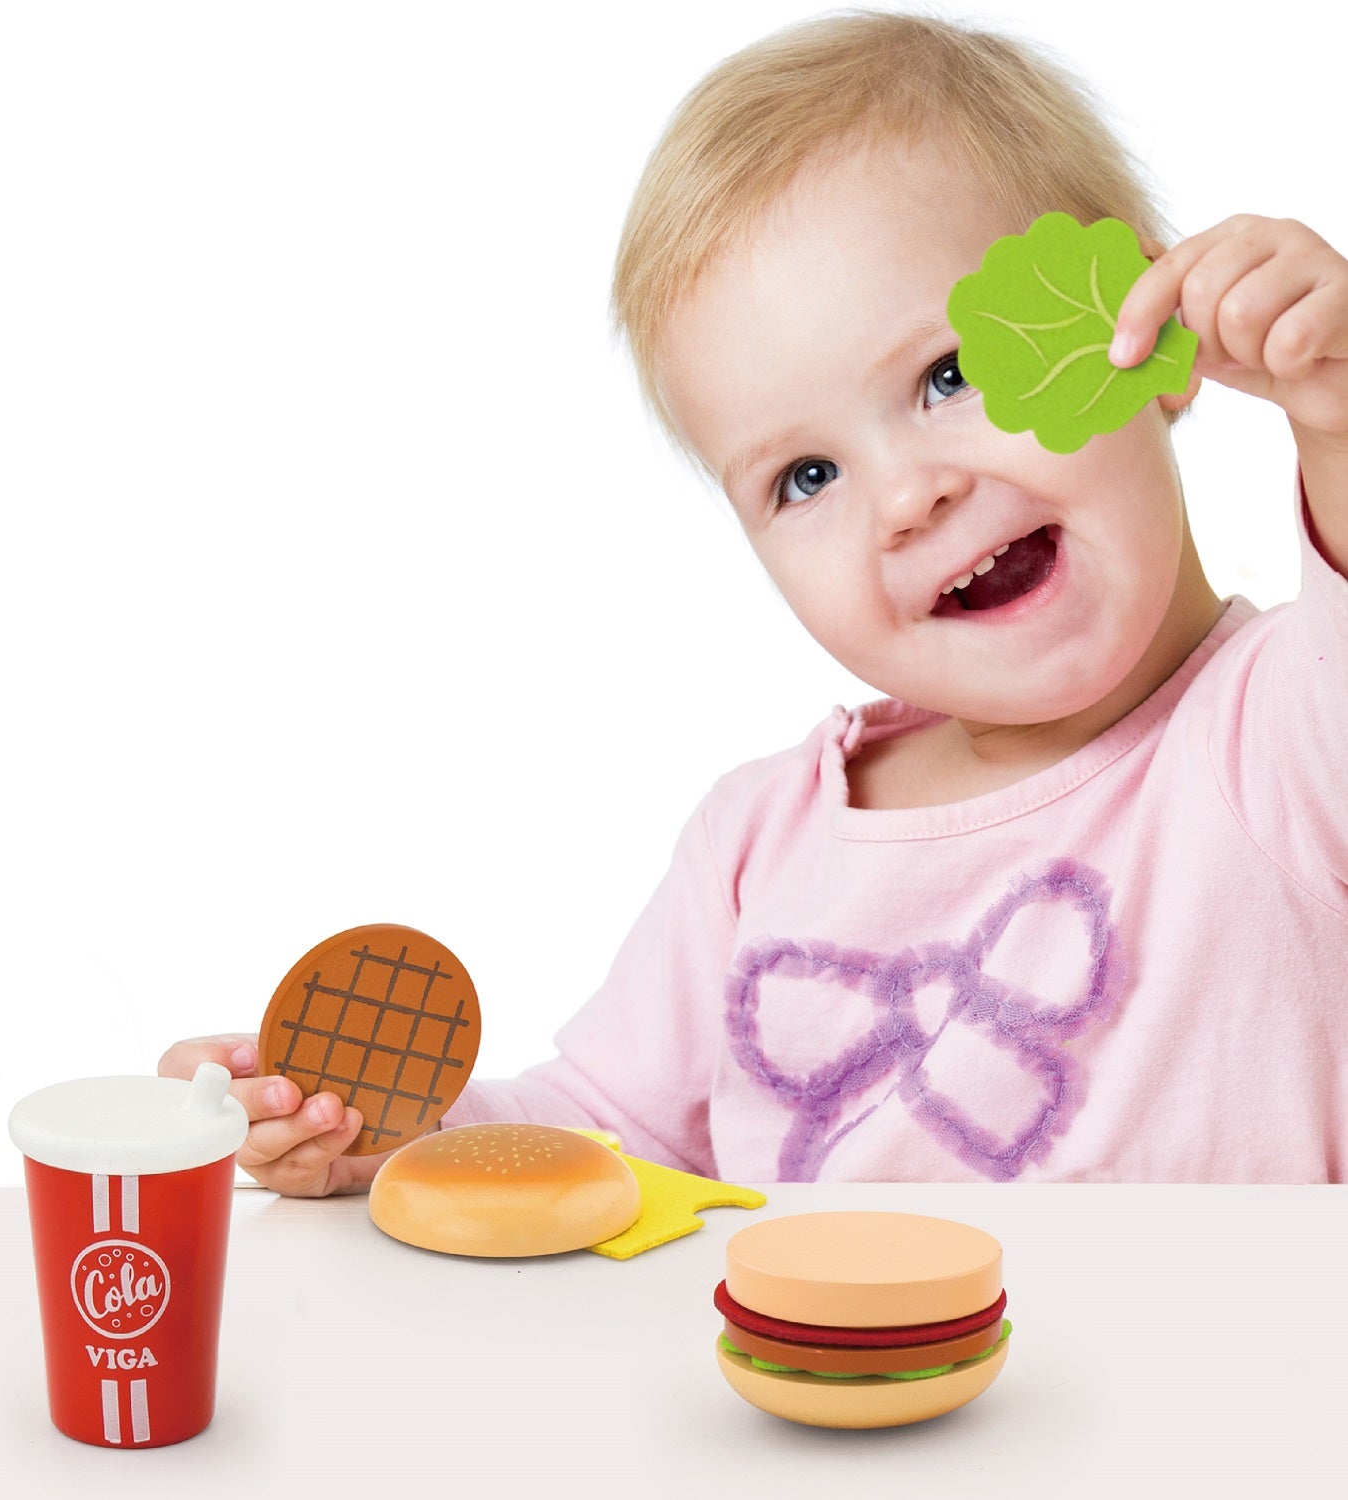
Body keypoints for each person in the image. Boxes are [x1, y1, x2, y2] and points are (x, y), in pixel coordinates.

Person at [160, 11, 1348, 1195]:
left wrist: (1335, 412)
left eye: (949, 374)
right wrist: (376, 1131)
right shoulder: (759, 847)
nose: (907, 498)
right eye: (807, 477)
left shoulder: (1283, 741)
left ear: (1146, 325)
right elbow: (600, 1137)